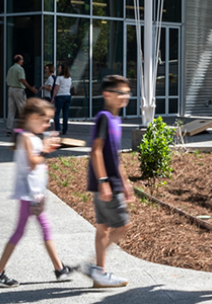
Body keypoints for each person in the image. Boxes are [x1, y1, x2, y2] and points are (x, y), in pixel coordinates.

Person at [0, 98, 74, 288]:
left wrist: (45, 149)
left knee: (40, 229)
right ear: (33, 118)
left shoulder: (31, 137)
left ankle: (59, 268)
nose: (47, 124)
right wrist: (45, 149)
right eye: (45, 121)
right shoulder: (26, 137)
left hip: (34, 193)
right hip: (30, 195)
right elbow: (32, 162)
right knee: (23, 232)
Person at [75, 74, 133, 288]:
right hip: (106, 184)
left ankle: (99, 274)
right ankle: (92, 266)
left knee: (103, 229)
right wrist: (103, 181)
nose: (125, 97)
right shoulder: (104, 118)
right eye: (120, 92)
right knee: (123, 225)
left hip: (111, 183)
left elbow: (115, 155)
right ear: (107, 94)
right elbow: (96, 151)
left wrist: (126, 182)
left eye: (127, 93)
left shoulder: (116, 120)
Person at [6, 54, 31, 134]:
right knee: (22, 109)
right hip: (18, 89)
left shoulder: (11, 68)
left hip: (10, 89)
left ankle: (9, 129)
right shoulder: (20, 69)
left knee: (11, 111)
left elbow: (7, 80)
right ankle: (23, 129)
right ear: (19, 60)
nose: (23, 61)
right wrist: (30, 88)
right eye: (22, 59)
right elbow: (22, 79)